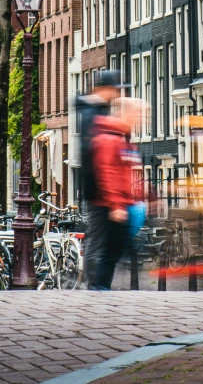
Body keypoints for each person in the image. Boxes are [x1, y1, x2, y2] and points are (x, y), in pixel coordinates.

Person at [76, 70, 124, 289]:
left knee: (103, 240)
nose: (117, 94)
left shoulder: (97, 110)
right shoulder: (91, 113)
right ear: (103, 89)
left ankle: (98, 285)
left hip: (99, 189)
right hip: (97, 190)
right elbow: (94, 152)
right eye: (114, 89)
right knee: (97, 240)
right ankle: (95, 287)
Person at [91, 97, 143, 290]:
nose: (140, 118)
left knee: (115, 251)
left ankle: (101, 290)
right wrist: (116, 205)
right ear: (124, 113)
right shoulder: (110, 139)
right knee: (112, 252)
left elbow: (126, 171)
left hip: (123, 203)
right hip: (114, 206)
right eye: (137, 114)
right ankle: (99, 290)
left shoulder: (121, 137)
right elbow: (108, 173)